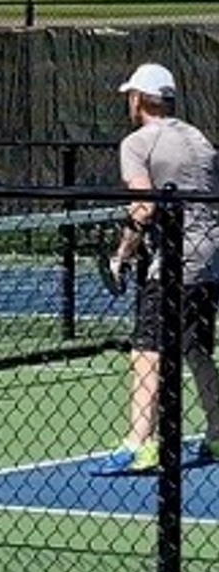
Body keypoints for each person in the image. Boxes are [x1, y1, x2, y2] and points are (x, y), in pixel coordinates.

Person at [103, 63, 219, 472]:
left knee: (146, 351)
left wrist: (122, 254)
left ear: (139, 99)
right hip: (211, 258)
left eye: (130, 97)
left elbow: (144, 207)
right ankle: (218, 433)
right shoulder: (199, 138)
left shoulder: (136, 144)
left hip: (175, 263)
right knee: (195, 347)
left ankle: (140, 443)